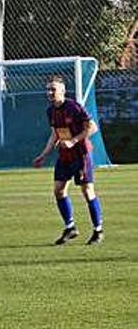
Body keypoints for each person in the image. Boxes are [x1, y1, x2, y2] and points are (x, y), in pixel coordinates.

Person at [32, 75, 104, 245]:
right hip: (65, 157)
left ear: (63, 91)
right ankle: (70, 227)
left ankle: (98, 230)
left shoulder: (73, 107)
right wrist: (43, 155)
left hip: (81, 155)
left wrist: (73, 141)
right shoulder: (50, 111)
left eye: (53, 89)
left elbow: (92, 127)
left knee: (87, 191)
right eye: (48, 89)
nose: (50, 92)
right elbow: (55, 134)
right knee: (58, 190)